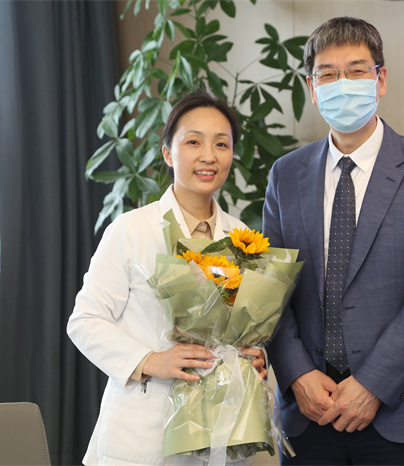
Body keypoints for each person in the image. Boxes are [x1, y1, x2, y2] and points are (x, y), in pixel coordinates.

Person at [263, 17, 404, 465]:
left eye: (356, 71)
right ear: (312, 88)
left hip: (403, 413)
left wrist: (373, 383)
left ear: (381, 79)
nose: (343, 84)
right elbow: (271, 292)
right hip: (309, 412)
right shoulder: (286, 175)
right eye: (328, 74)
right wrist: (297, 375)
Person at [68, 90, 266, 465]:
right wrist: (149, 360)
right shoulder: (131, 230)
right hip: (144, 432)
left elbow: (246, 326)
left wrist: (254, 356)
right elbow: (85, 321)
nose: (209, 155)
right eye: (193, 142)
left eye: (221, 144)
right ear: (168, 153)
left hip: (220, 429)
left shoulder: (244, 238)